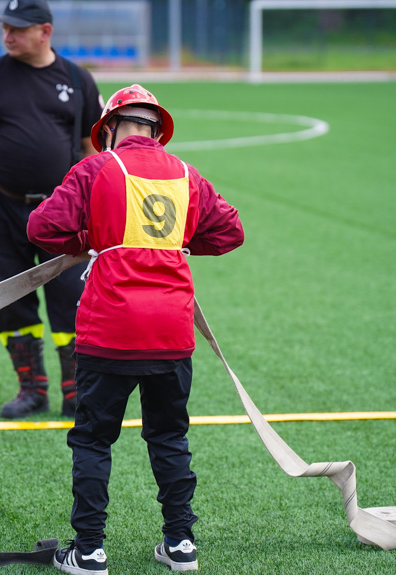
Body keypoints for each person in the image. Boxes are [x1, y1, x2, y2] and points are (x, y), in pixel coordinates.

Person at [27, 84, 245, 574]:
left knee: (93, 440)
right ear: (156, 131)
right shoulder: (187, 174)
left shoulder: (96, 168)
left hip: (111, 330)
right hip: (171, 331)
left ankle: (88, 552)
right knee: (169, 437)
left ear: (109, 129)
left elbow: (41, 229)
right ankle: (181, 545)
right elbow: (230, 231)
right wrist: (178, 246)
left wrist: (92, 238)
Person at [0, 0, 103, 419]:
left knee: (73, 299)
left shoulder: (78, 80)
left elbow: (94, 152)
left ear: (45, 32)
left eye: (17, 28)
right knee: (10, 300)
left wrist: (99, 208)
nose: (8, 35)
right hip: (1, 207)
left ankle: (77, 391)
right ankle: (31, 388)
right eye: (5, 27)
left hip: (66, 215)